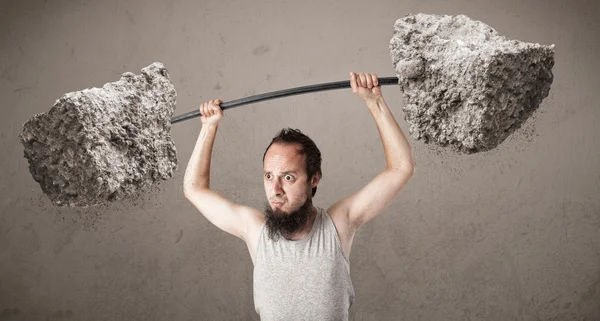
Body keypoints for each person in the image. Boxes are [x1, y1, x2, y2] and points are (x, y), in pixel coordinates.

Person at [183, 72, 415, 320]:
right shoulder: (255, 230)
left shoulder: (337, 224)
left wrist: (375, 102)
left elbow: (402, 168)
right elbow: (194, 189)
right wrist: (208, 127)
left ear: (314, 179)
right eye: (269, 176)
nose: (276, 190)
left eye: (288, 177)